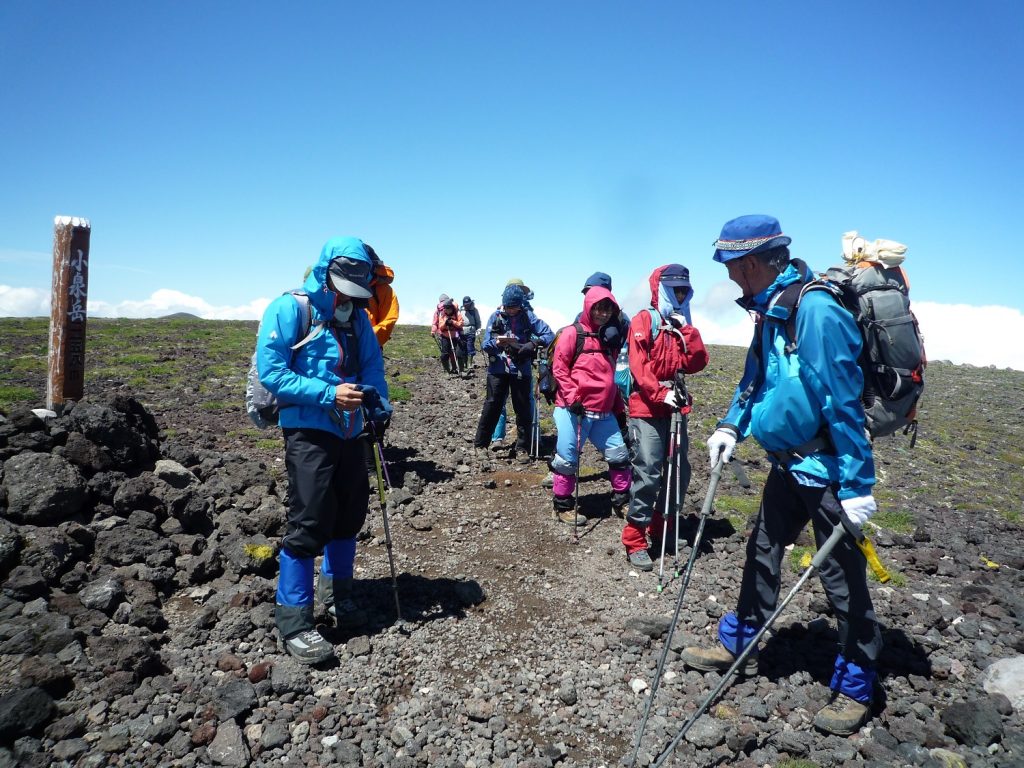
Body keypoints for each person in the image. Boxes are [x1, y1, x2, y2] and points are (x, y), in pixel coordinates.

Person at [680, 214, 882, 736]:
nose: (726, 278)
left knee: (840, 576)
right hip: (788, 465)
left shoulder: (814, 311)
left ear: (750, 263)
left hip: (828, 470)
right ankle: (739, 639)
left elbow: (843, 403)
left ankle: (857, 683)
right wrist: (730, 425)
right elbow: (756, 378)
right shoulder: (772, 310)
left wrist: (859, 485)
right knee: (763, 550)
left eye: (728, 266)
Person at [256, 236, 393, 665]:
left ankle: (339, 597)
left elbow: (372, 366)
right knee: (310, 519)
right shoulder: (289, 309)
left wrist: (379, 403)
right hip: (308, 431)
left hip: (351, 431)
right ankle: (294, 620)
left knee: (349, 514)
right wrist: (329, 394)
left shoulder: (358, 320)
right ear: (326, 273)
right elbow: (272, 373)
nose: (348, 298)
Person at [622, 264, 708, 571]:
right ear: (662, 289)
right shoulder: (644, 320)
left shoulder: (681, 323)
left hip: (674, 408)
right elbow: (638, 364)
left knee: (678, 470)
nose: (681, 294)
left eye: (685, 289)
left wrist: (686, 330)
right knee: (648, 469)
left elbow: (697, 362)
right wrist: (660, 393)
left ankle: (661, 526)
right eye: (676, 289)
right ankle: (634, 537)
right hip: (646, 409)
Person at [549, 286, 631, 524]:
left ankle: (622, 501)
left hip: (604, 413)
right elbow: (560, 369)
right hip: (573, 411)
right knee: (567, 459)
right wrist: (573, 398)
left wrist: (618, 410)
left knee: (619, 456)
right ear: (588, 307)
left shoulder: (610, 338)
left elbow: (612, 378)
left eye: (607, 309)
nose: (602, 314)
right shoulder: (573, 334)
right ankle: (562, 505)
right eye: (598, 308)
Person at [474, 284, 554, 462]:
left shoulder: (528, 317)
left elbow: (549, 334)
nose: (511, 311)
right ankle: (481, 445)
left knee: (523, 408)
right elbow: (485, 345)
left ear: (521, 305)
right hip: (498, 370)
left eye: (514, 307)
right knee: (492, 406)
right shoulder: (495, 317)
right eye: (508, 307)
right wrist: (498, 343)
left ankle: (522, 448)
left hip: (521, 369)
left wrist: (532, 344)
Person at [492, 278, 535, 444]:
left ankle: (506, 437)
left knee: (509, 401)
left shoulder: (527, 314)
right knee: (522, 401)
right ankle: (526, 437)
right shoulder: (504, 313)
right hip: (511, 362)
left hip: (516, 362)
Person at [363, 244, 399, 348]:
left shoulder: (383, 290)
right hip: (337, 347)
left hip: (371, 346)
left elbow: (389, 320)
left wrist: (365, 338)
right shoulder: (335, 286)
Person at [431, 297, 465, 374]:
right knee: (444, 355)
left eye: (447, 309)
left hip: (456, 336)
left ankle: (462, 371)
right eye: (445, 309)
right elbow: (440, 326)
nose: (446, 310)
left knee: (459, 353)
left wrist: (453, 322)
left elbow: (461, 324)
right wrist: (446, 323)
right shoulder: (442, 314)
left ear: (451, 308)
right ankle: (447, 371)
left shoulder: (457, 313)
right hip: (445, 336)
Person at [461, 296, 482, 368]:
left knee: (470, 347)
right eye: (465, 304)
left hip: (471, 331)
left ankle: (469, 364)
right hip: (462, 332)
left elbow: (478, 321)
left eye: (467, 304)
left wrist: (478, 329)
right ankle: (464, 364)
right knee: (463, 348)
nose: (466, 306)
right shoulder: (461, 310)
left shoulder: (474, 310)